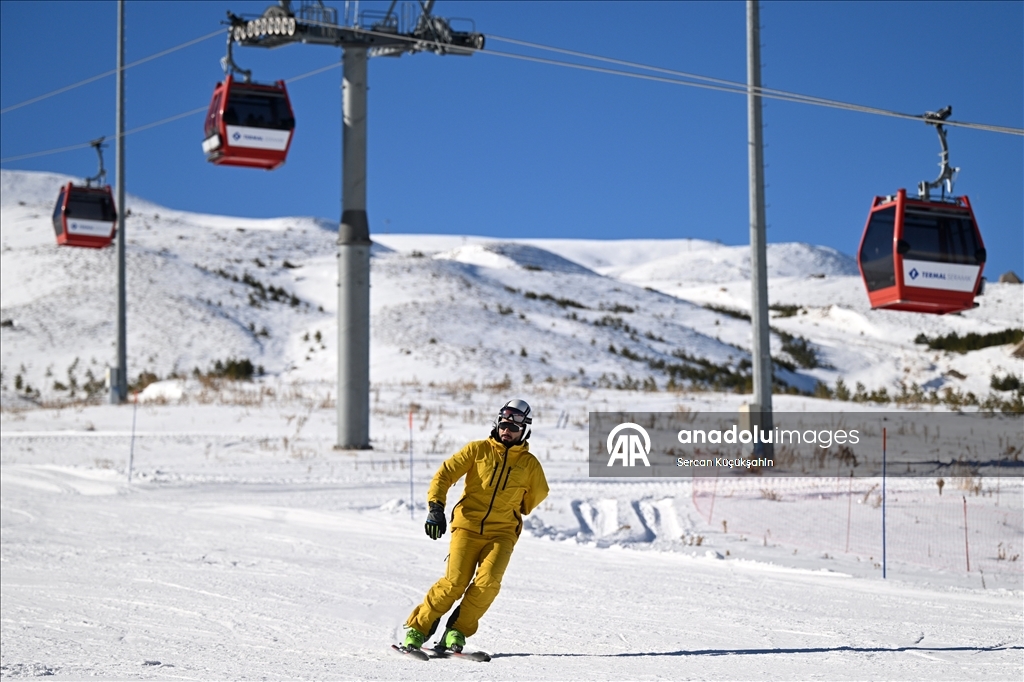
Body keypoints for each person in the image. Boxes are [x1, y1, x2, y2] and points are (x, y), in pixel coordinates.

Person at [402, 399, 549, 653]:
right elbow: (444, 474)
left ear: (524, 430)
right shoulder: (477, 450)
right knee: (455, 582)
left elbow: (536, 496)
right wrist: (436, 508)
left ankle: (456, 631)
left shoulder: (531, 465)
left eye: (514, 428)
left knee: (488, 583)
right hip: (467, 527)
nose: (507, 431)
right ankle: (418, 628)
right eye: (504, 425)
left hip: (502, 533)